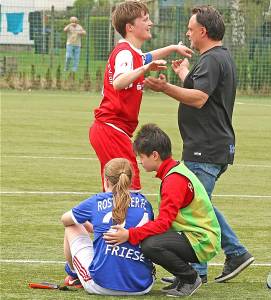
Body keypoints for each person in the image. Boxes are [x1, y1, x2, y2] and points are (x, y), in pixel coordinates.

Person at [144, 5, 254, 283]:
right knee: (200, 204)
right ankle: (208, 266)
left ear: (203, 31)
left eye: (191, 29)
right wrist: (183, 75)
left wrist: (164, 88)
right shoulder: (218, 58)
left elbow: (199, 98)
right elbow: (205, 94)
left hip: (206, 148)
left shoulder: (212, 60)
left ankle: (231, 254)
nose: (188, 33)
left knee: (192, 206)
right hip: (211, 145)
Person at [103, 124, 221, 297]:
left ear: (155, 155)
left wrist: (130, 234)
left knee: (150, 245)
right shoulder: (174, 172)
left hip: (201, 240)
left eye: (141, 157)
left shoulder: (174, 180)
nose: (140, 162)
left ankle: (190, 278)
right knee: (150, 238)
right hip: (195, 235)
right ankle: (181, 277)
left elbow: (164, 223)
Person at [89, 0, 193, 192]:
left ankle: (106, 221)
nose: (150, 23)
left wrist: (172, 48)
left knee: (115, 190)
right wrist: (146, 69)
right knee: (130, 190)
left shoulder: (132, 54)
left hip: (110, 130)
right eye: (145, 19)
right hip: (111, 130)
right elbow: (119, 82)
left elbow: (147, 56)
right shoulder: (125, 54)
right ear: (130, 27)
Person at [61, 158, 155, 295]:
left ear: (106, 180)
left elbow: (65, 220)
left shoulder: (96, 201)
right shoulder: (145, 203)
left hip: (100, 285)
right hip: (142, 286)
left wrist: (85, 222)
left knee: (71, 226)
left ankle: (74, 275)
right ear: (130, 180)